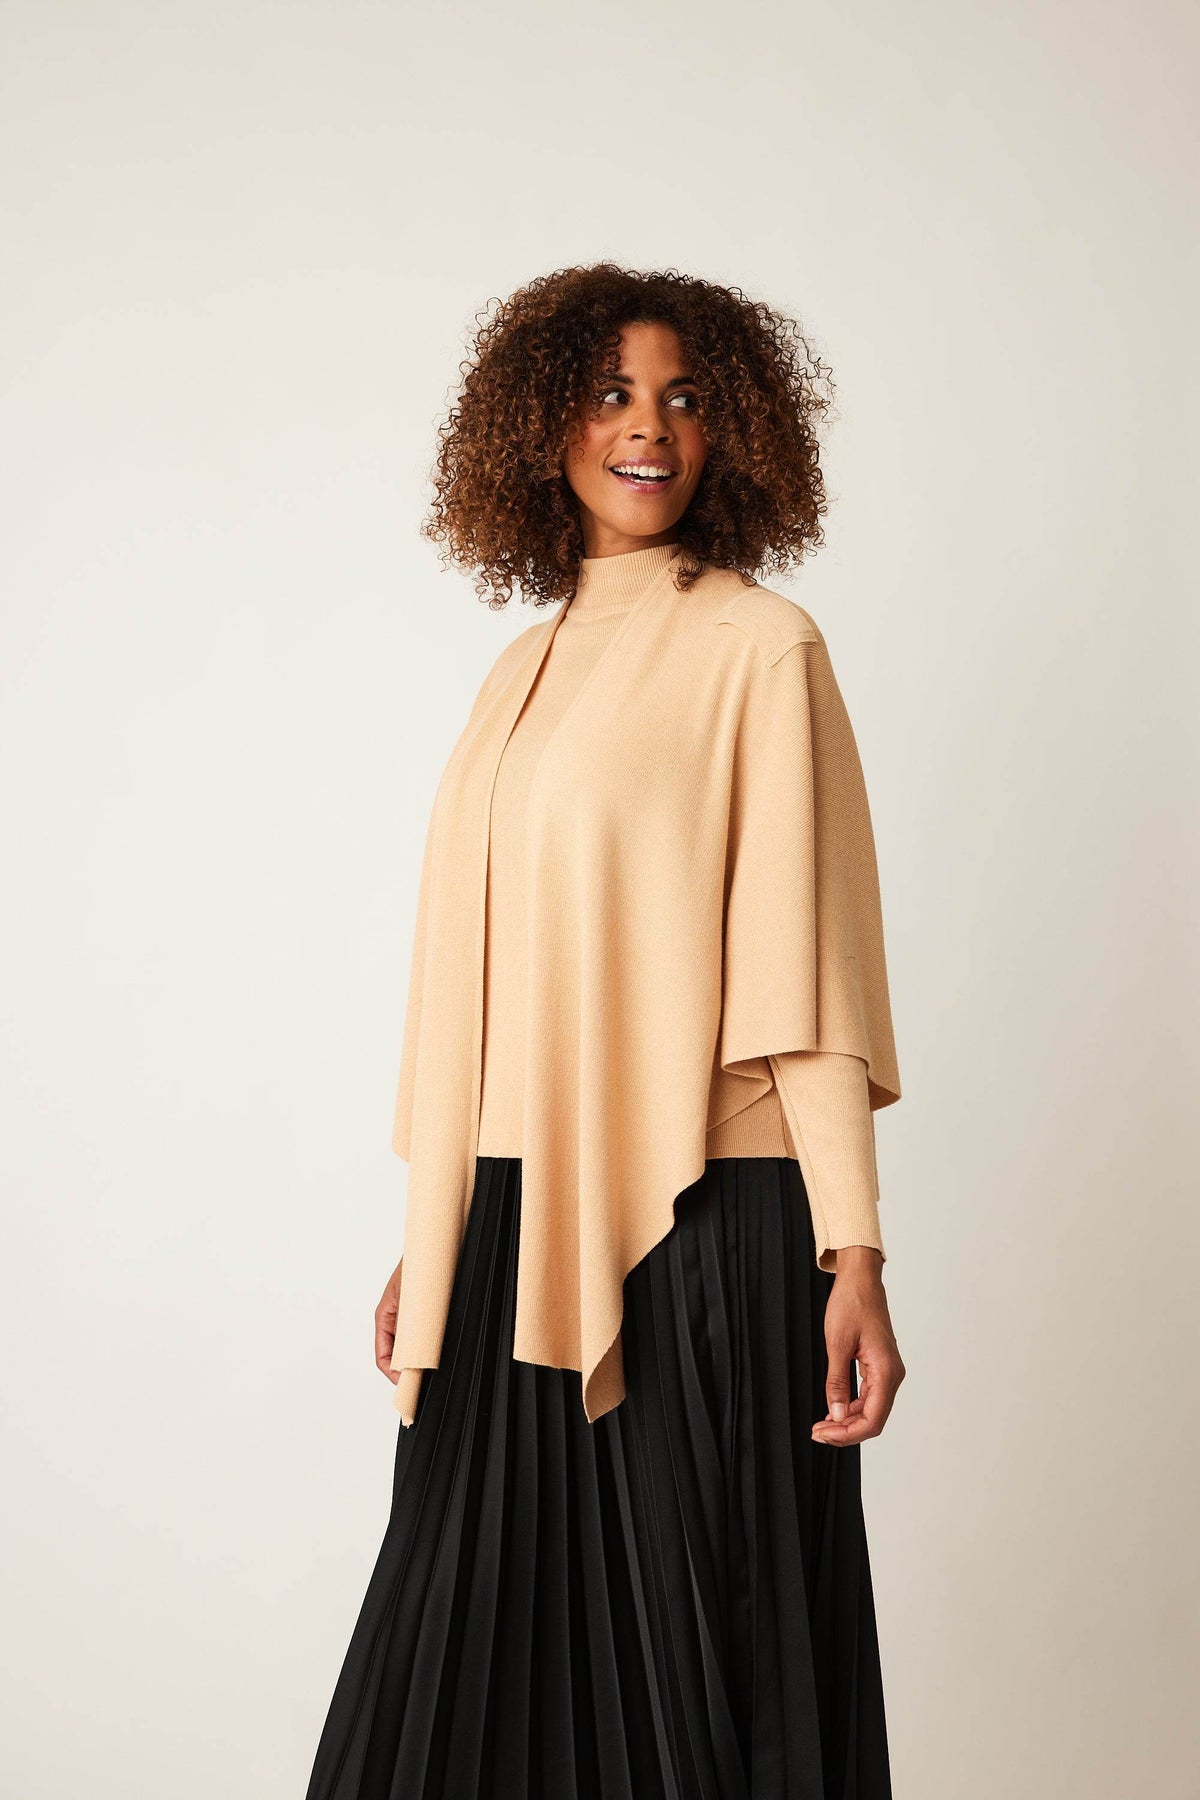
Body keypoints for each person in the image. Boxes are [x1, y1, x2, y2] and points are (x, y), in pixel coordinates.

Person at [305, 261, 906, 1800]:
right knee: (458, 1678)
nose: (650, 427)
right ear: (541, 424)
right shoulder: (524, 666)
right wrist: (441, 1225)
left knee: (699, 1684)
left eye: (685, 397)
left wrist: (854, 1252)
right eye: (612, 392)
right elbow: (499, 981)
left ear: (734, 431)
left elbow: (813, 969)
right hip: (515, 1223)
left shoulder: (762, 648)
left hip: (707, 1226)